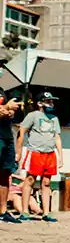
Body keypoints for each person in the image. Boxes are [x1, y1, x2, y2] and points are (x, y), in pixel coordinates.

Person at [16, 91, 63, 222]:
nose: (51, 104)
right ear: (40, 103)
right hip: (35, 152)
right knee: (30, 179)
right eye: (48, 101)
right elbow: (22, 131)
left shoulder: (54, 119)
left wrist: (60, 156)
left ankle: (46, 212)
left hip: (50, 154)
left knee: (46, 182)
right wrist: (18, 151)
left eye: (52, 101)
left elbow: (57, 137)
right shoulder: (33, 116)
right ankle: (25, 211)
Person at [0, 87, 22, 223]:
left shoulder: (2, 90)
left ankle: (2, 211)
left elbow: (6, 112)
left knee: (4, 173)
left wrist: (9, 112)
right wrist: (6, 107)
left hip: (6, 135)